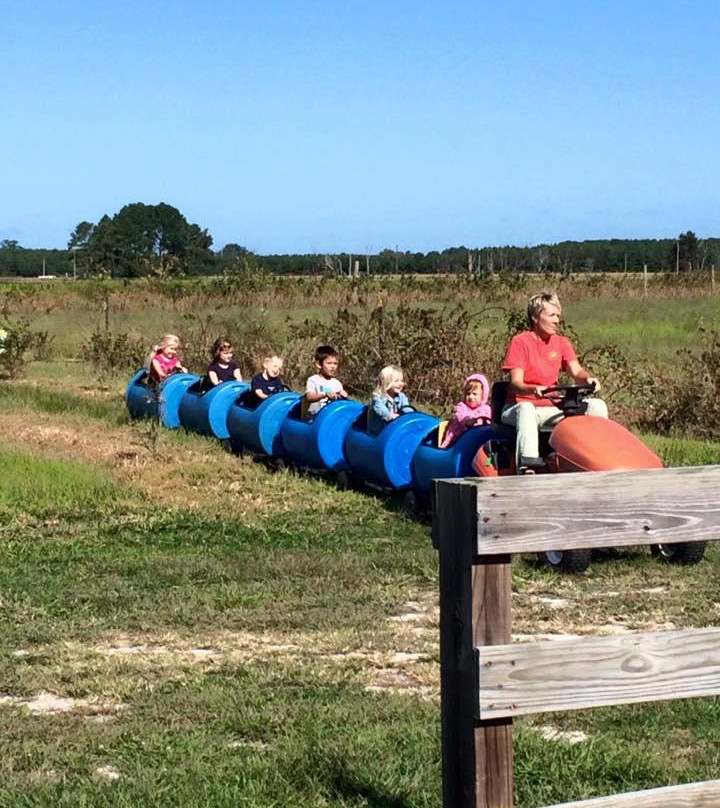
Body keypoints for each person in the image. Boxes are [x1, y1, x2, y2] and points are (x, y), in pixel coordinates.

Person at [501, 291, 608, 473]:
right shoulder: (520, 342)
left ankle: (598, 460)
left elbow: (577, 371)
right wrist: (533, 390)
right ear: (535, 317)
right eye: (551, 315)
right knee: (527, 409)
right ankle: (528, 466)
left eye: (558, 316)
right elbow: (515, 383)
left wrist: (587, 379)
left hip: (552, 407)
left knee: (596, 405)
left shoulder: (561, 343)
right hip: (519, 407)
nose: (557, 321)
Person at [441, 373, 492, 448]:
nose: (471, 397)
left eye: (474, 394)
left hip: (479, 439)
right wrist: (468, 421)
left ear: (483, 395)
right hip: (459, 439)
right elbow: (461, 418)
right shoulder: (462, 406)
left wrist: (478, 423)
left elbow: (486, 421)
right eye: (468, 394)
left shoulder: (486, 409)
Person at [305, 344, 348, 420]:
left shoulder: (337, 383)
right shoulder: (313, 380)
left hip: (330, 418)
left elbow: (340, 403)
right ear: (319, 364)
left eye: (335, 363)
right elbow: (309, 397)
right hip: (314, 419)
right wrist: (324, 395)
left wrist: (344, 396)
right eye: (329, 363)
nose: (333, 366)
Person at [368, 365, 411, 435]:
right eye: (396, 381)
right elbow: (381, 409)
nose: (400, 384)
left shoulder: (401, 397)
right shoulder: (378, 398)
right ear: (386, 382)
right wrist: (390, 416)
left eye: (402, 381)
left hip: (392, 430)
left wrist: (411, 416)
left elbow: (407, 409)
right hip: (378, 433)